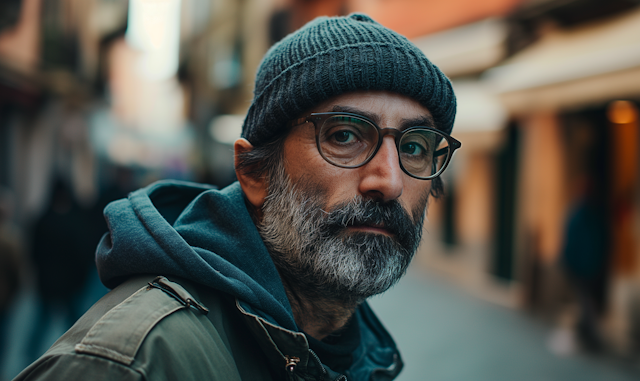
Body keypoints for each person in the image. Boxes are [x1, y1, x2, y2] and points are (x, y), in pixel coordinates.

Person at [15, 13, 459, 381]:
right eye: (344, 135)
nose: (389, 181)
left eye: (414, 146)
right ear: (253, 172)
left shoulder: (361, 354)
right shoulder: (129, 364)